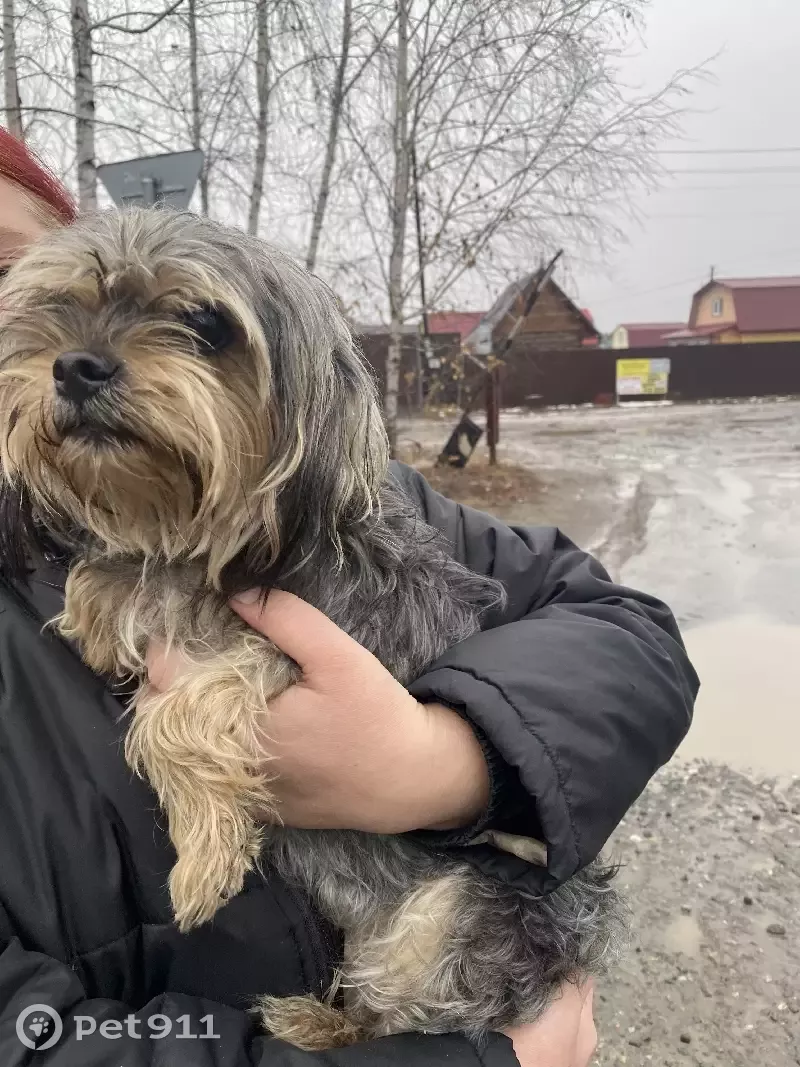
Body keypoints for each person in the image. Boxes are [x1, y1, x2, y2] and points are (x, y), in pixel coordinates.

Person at [0, 130, 698, 1067]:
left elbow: (631, 637)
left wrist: (443, 761)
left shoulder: (366, 509)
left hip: (461, 942)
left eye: (196, 329)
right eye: (51, 316)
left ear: (297, 400)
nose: (82, 359)